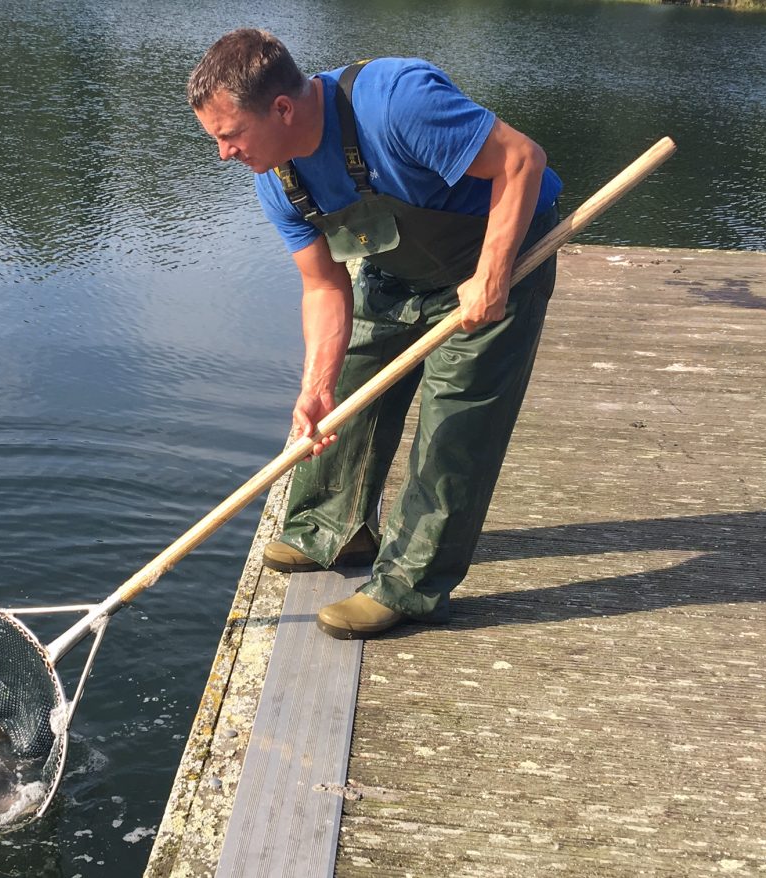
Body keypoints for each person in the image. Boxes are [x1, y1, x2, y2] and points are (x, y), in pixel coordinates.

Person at [187, 29, 562, 639]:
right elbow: (324, 287)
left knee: (453, 429)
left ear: (282, 108)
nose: (223, 153)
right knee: (347, 398)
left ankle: (411, 587)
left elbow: (522, 160)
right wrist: (316, 387)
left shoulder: (396, 102)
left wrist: (492, 276)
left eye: (230, 135)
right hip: (395, 268)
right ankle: (331, 530)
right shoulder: (277, 177)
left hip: (498, 250)